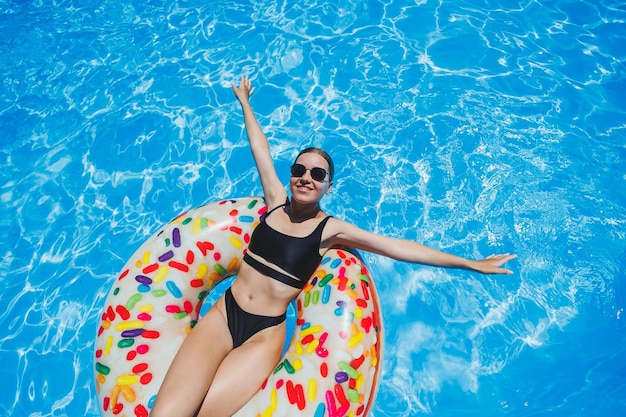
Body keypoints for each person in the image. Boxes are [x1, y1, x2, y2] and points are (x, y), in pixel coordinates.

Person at [149, 76, 517, 417]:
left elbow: (398, 247)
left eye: (318, 174)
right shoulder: (275, 200)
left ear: (328, 186)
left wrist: (471, 263)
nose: (306, 178)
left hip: (263, 337)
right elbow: (259, 148)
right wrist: (244, 102)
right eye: (299, 170)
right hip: (223, 317)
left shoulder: (329, 230)